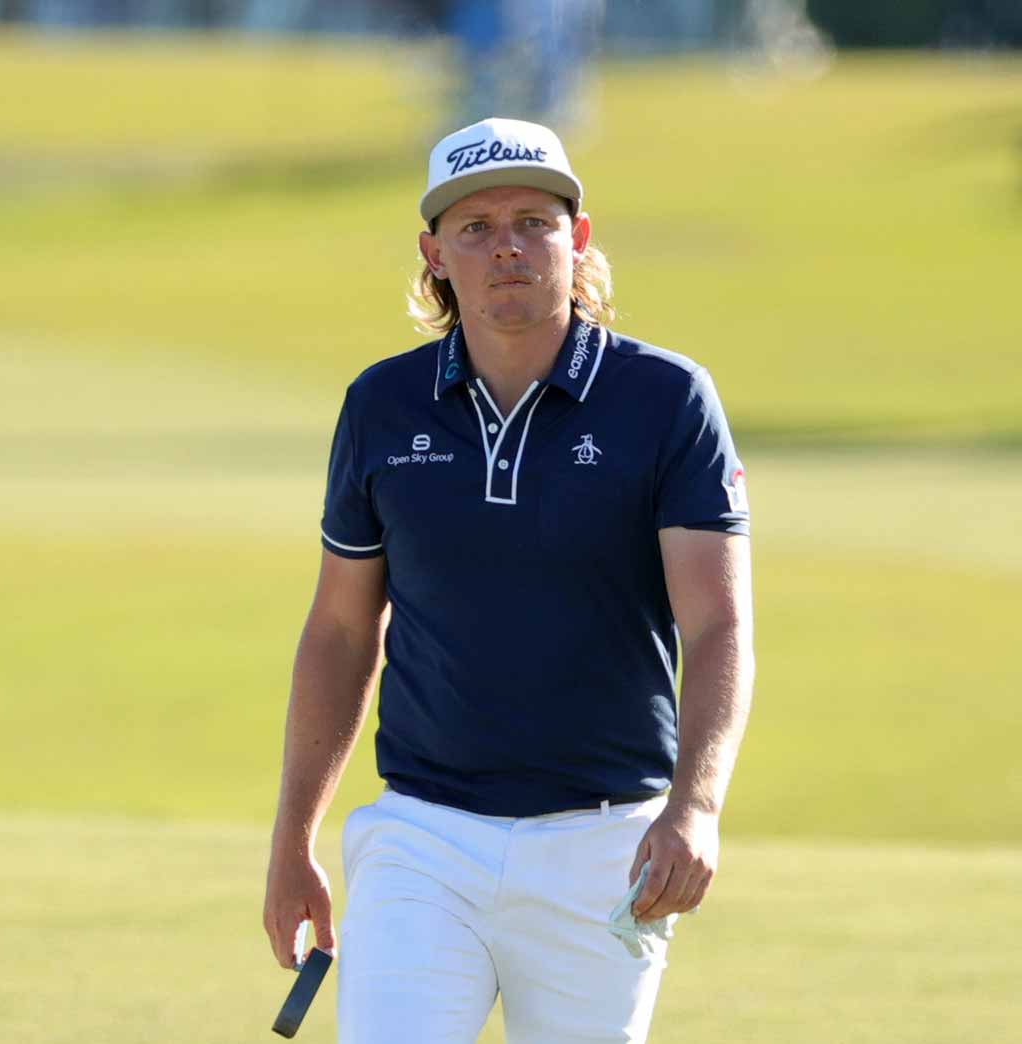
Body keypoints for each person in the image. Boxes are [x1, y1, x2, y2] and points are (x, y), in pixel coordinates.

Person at [261, 117, 754, 1042]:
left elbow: (718, 625)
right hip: (421, 837)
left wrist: (696, 807)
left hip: (608, 844)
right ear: (435, 253)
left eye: (533, 219)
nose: (509, 248)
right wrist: (294, 837)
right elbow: (339, 630)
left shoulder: (667, 399)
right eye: (477, 228)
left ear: (579, 237)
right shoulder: (381, 403)